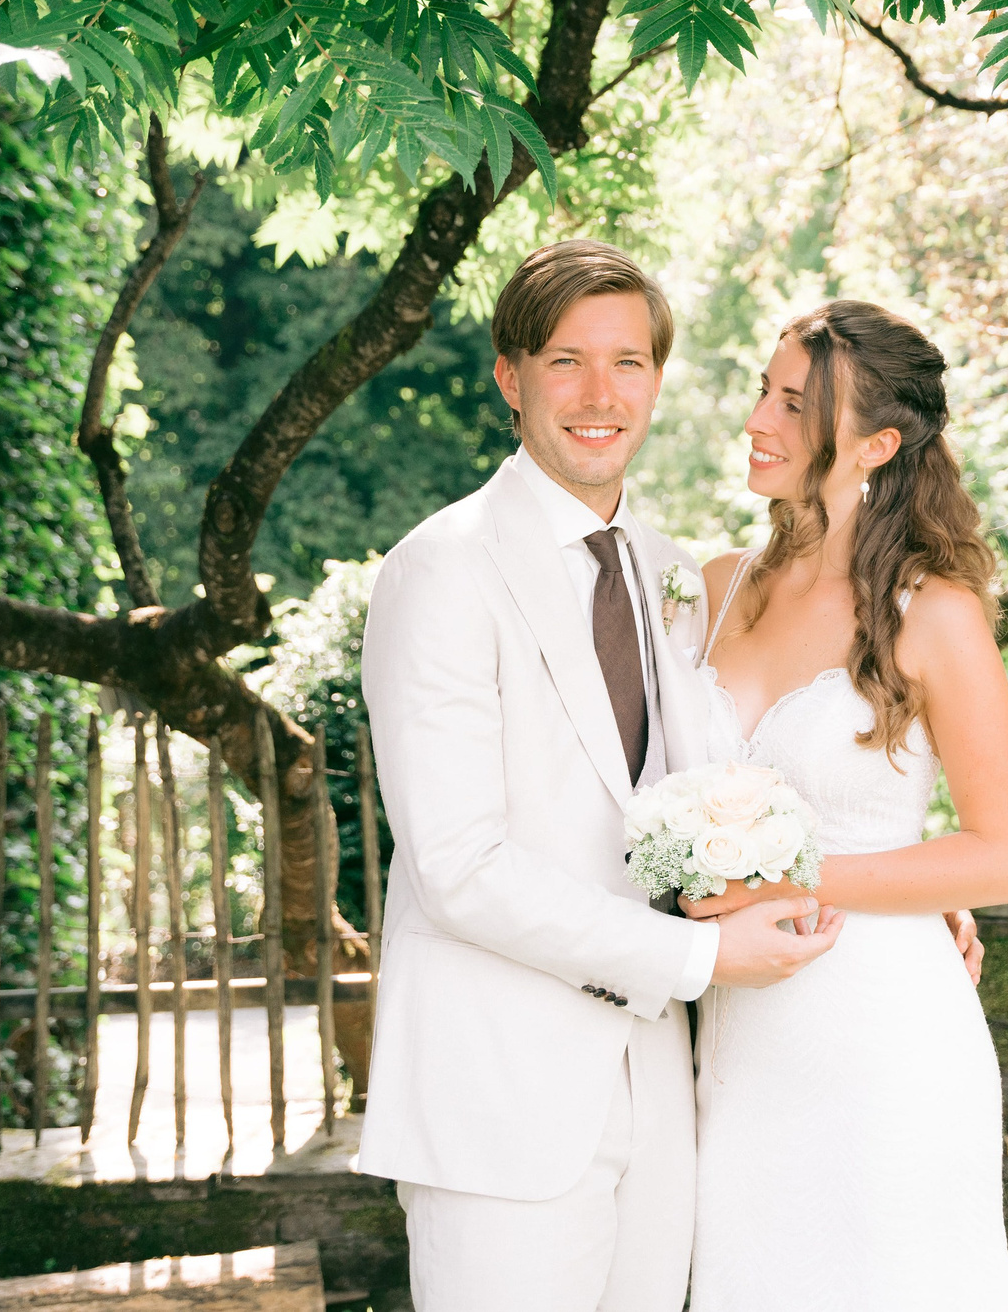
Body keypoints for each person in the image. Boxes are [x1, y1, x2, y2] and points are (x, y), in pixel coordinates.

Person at [355, 240, 849, 1312]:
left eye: (628, 362)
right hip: (498, 1098)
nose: (598, 393)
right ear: (509, 376)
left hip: (657, 1092)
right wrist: (698, 949)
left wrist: (882, 896)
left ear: (659, 381)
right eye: (566, 359)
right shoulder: (440, 569)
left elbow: (726, 798)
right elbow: (459, 866)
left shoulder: (674, 572)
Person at [686, 299, 1008, 1310]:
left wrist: (790, 875)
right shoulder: (707, 591)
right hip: (733, 1042)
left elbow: (1004, 855)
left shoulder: (933, 613)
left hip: (881, 1037)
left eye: (796, 405)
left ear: (875, 444)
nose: (758, 418)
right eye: (763, 388)